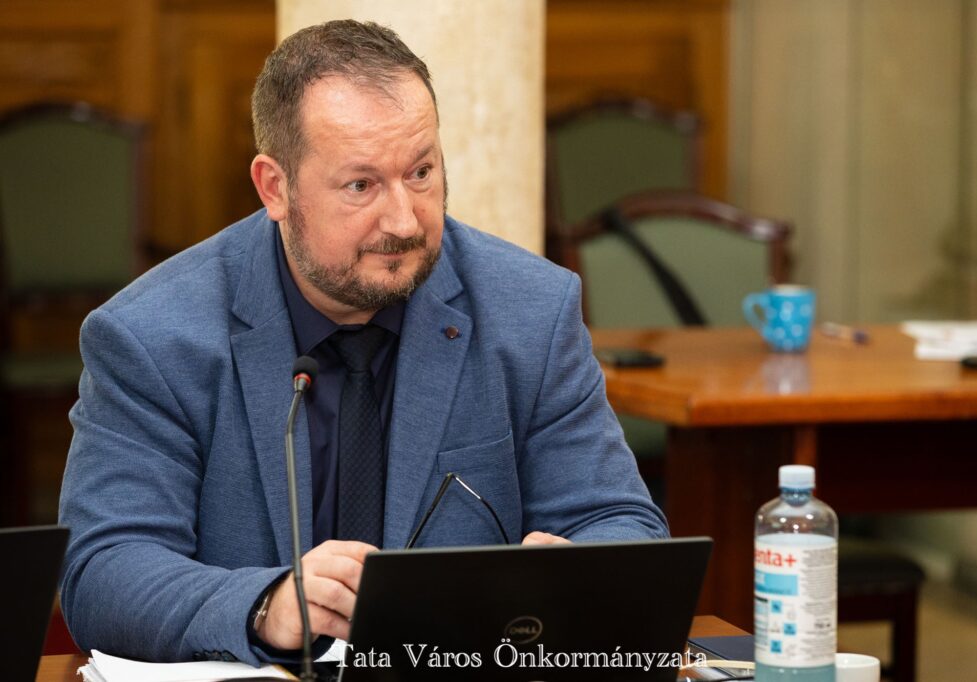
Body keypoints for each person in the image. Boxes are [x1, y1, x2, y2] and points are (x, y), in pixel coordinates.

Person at [58, 19, 667, 665]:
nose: (404, 220)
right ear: (275, 188)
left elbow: (621, 524)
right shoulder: (152, 336)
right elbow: (102, 572)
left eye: (422, 172)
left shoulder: (530, 311)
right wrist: (266, 604)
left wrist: (584, 569)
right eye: (361, 185)